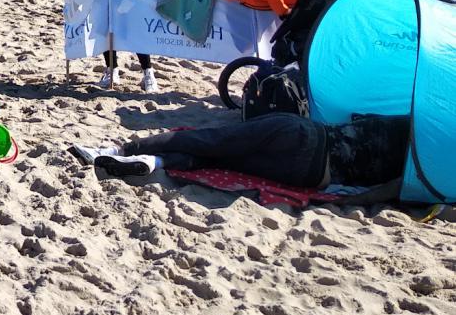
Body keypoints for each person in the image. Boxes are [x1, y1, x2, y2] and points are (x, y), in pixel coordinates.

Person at [72, 113, 411, 188]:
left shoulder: (415, 116)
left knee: (211, 141)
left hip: (306, 135)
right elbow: (389, 191)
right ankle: (153, 160)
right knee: (226, 160)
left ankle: (118, 148)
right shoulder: (431, 168)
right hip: (310, 176)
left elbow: (355, 117)